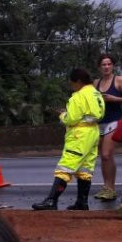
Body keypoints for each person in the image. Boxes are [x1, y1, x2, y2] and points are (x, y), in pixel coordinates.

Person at [32, 67, 104, 211]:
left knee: (65, 167)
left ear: (78, 81)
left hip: (80, 135)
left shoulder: (78, 96)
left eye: (72, 83)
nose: (72, 86)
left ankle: (52, 201)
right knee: (85, 169)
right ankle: (82, 203)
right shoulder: (96, 93)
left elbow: (71, 119)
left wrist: (62, 115)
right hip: (93, 132)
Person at [93, 54, 122, 201]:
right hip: (100, 122)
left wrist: (115, 99)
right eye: (103, 64)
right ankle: (107, 187)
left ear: (113, 66)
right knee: (104, 157)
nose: (106, 67)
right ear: (99, 67)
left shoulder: (119, 80)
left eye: (109, 64)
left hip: (115, 120)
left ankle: (111, 188)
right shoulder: (95, 83)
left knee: (106, 154)